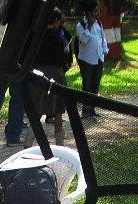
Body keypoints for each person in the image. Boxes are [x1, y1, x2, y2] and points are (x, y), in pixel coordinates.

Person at [29, 7, 69, 144]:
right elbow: (60, 60)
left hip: (39, 74)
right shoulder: (57, 39)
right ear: (56, 20)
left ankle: (28, 141)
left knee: (38, 109)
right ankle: (59, 143)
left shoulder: (36, 37)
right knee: (58, 110)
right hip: (55, 75)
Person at [76, 2, 108, 118]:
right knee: (87, 85)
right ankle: (85, 110)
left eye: (98, 11)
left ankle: (92, 108)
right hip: (86, 60)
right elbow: (84, 40)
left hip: (98, 58)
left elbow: (102, 38)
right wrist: (89, 25)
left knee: (95, 84)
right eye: (95, 11)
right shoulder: (80, 25)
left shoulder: (99, 24)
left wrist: (105, 50)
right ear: (89, 13)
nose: (97, 13)